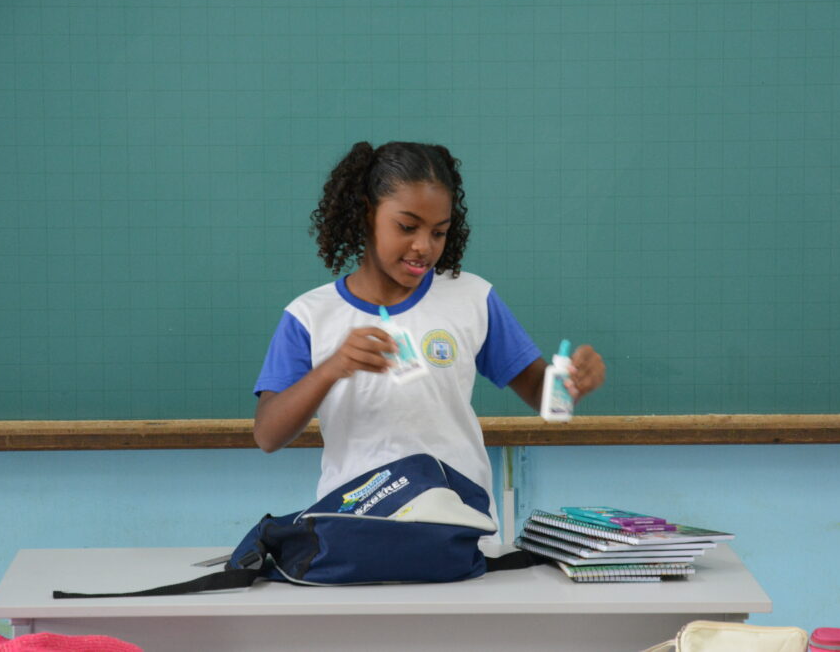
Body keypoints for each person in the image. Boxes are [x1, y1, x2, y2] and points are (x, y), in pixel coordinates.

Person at [252, 141, 606, 529]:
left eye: (439, 232)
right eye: (407, 227)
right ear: (366, 213)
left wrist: (569, 383)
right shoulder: (310, 316)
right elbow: (268, 435)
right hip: (355, 528)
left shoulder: (472, 298)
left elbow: (540, 393)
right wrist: (331, 369)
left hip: (459, 526)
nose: (423, 246)